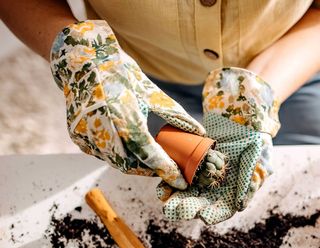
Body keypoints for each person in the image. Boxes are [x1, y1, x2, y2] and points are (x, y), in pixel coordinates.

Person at [1, 1, 320, 224]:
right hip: (136, 80)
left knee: (300, 187)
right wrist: (80, 56)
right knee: (147, 179)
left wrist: (254, 93)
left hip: (290, 67)